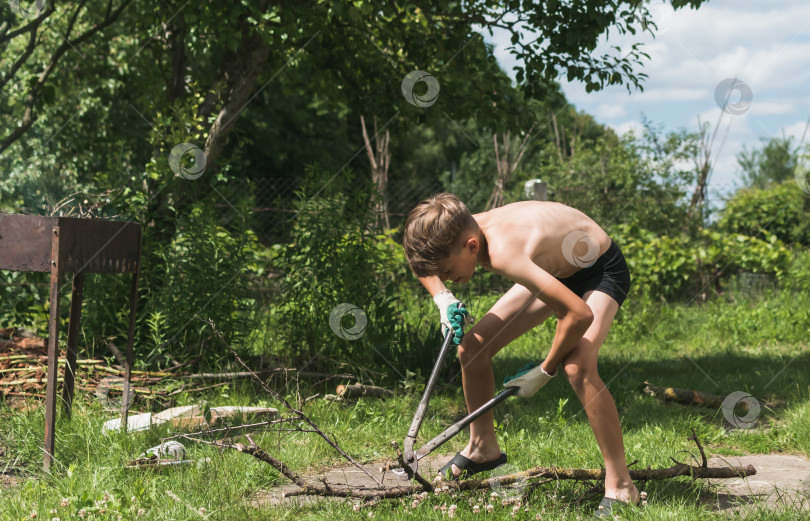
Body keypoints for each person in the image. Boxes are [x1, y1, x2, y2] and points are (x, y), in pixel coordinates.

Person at [402, 193, 639, 516]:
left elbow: (578, 315)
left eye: (447, 272)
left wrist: (545, 368)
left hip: (600, 270)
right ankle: (482, 447)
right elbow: (421, 259)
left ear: (472, 247)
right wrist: (442, 297)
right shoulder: (455, 229)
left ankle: (622, 485)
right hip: (554, 269)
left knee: (577, 366)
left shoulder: (503, 252)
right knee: (472, 348)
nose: (445, 278)